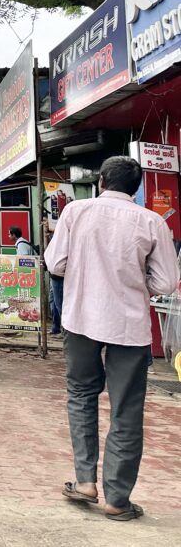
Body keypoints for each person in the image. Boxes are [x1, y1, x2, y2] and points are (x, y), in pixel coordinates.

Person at [45, 156, 178, 521]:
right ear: (135, 188)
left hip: (81, 320)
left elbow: (55, 264)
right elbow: (166, 282)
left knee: (82, 395)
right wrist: (135, 283)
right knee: (126, 409)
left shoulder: (75, 212)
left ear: (101, 180)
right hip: (128, 327)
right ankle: (118, 499)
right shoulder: (152, 222)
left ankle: (85, 481)